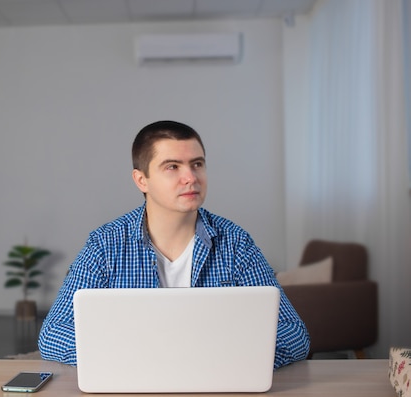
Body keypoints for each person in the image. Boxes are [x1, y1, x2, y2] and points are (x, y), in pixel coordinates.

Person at [38, 120, 310, 369]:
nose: (191, 177)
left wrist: (213, 357)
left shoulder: (236, 243)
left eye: (197, 164)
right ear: (141, 180)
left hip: (216, 381)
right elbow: (54, 333)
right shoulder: (105, 244)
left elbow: (293, 332)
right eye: (172, 167)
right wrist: (135, 356)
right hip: (133, 383)